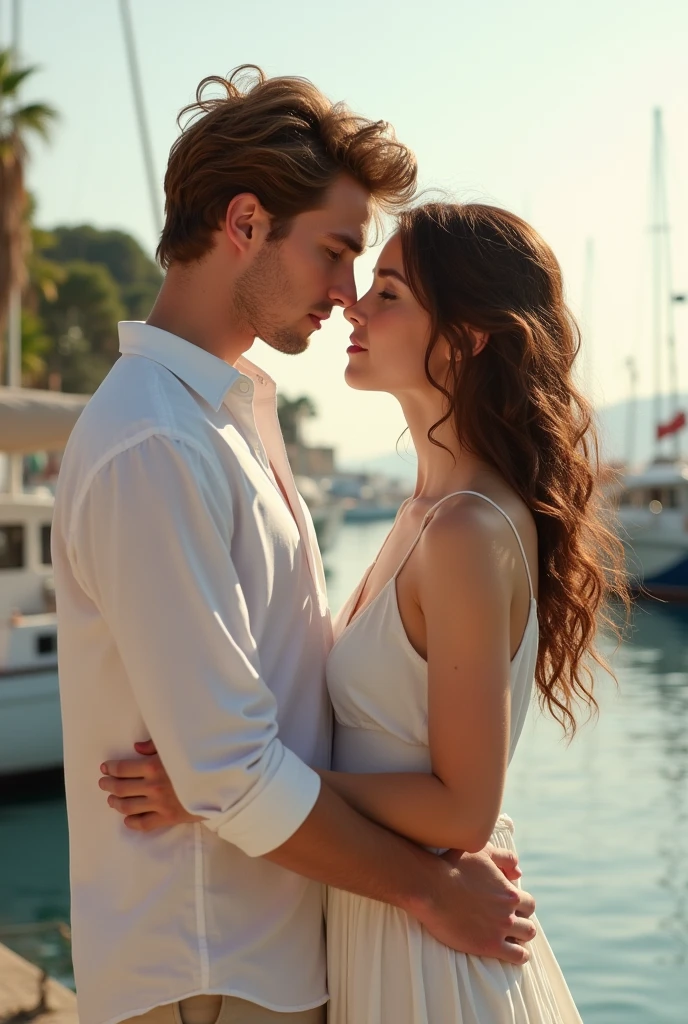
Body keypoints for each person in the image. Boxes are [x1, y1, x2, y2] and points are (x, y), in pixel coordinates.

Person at [53, 68, 536, 1024]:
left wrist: (431, 840)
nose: (348, 293)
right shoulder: (157, 442)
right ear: (244, 224)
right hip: (208, 967)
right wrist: (435, 888)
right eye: (336, 252)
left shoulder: (227, 418)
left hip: (271, 953)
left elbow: (264, 724)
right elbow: (228, 770)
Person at [105, 202, 627, 1022]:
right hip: (387, 922)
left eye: (388, 291)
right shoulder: (429, 510)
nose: (353, 303)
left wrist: (219, 790)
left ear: (465, 337)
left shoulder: (464, 527)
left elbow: (463, 808)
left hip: (431, 956)